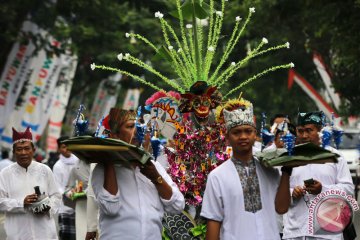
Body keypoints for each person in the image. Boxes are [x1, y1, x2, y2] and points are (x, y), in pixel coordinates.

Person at [201, 98, 292, 240]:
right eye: (236, 132)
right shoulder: (217, 176)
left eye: (248, 131)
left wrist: (286, 172)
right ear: (227, 138)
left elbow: (282, 208)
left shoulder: (269, 168)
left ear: (255, 135)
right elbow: (213, 221)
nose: (243, 136)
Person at [91, 108, 185, 240]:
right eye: (130, 127)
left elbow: (178, 206)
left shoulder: (154, 166)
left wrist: (156, 178)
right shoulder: (102, 168)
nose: (137, 131)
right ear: (115, 135)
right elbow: (110, 208)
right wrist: (109, 159)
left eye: (141, 126)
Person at [282, 111, 354, 240]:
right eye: (300, 131)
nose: (304, 135)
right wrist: (292, 192)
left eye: (309, 130)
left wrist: (323, 190)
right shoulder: (287, 157)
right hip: (296, 233)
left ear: (320, 131)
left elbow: (348, 191)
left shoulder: (335, 156)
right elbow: (275, 192)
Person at [0, 127, 61, 239]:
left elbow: (56, 196)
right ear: (13, 152)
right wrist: (21, 203)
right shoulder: (5, 174)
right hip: (18, 235)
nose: (23, 152)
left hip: (45, 234)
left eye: (27, 148)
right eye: (19, 149)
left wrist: (48, 207)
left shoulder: (45, 170)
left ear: (33, 150)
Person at [53, 136, 79, 240]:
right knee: (67, 236)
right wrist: (68, 194)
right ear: (59, 149)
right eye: (64, 146)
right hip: (65, 207)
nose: (67, 148)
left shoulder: (78, 161)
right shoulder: (57, 166)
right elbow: (58, 187)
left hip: (80, 204)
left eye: (69, 146)